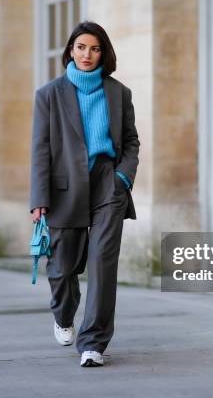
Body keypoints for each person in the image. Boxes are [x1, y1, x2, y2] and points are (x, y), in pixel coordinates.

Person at [29, 21, 140, 367]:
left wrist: (123, 176)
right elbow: (40, 149)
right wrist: (39, 199)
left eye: (94, 48)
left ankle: (93, 343)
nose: (87, 54)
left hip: (108, 184)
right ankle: (64, 316)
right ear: (70, 51)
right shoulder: (49, 94)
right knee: (62, 270)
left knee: (102, 265)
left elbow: (131, 141)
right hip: (64, 190)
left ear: (103, 53)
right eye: (81, 47)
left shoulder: (119, 92)